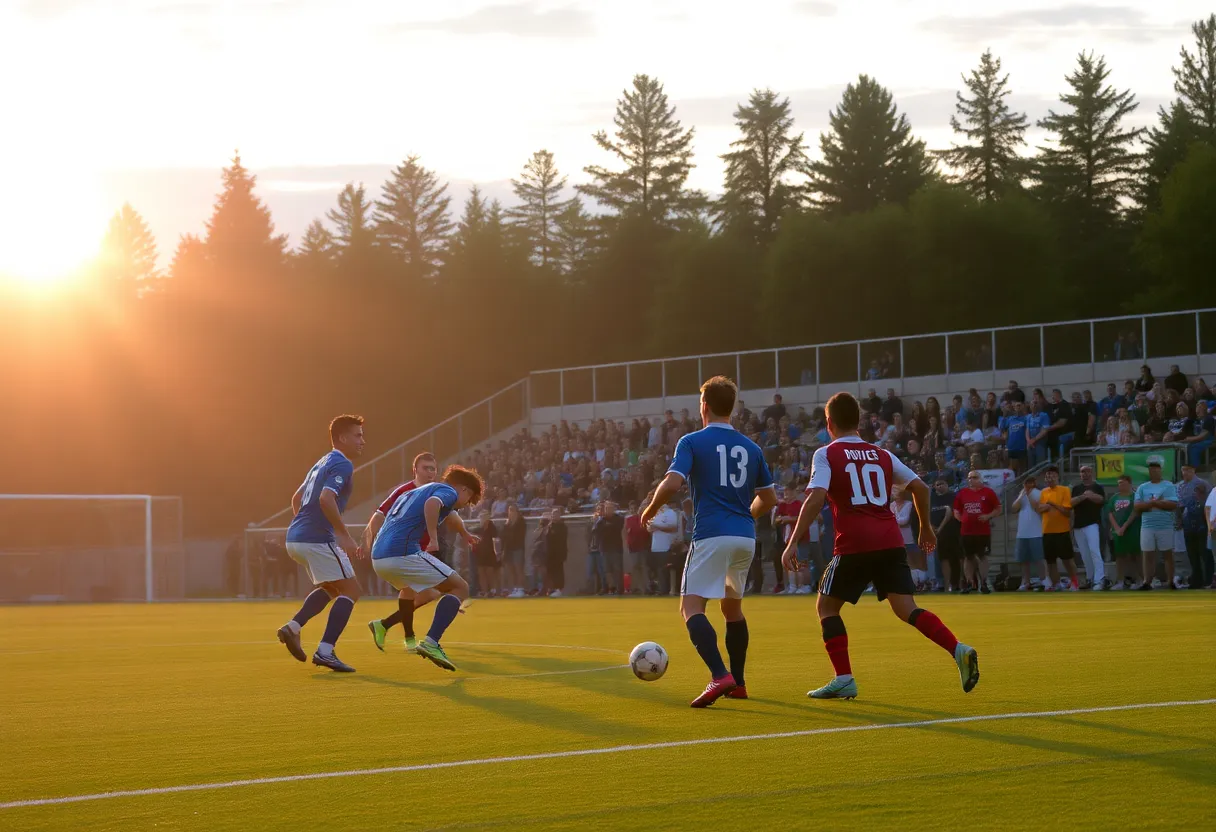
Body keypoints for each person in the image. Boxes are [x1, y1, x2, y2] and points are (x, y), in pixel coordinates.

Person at [781, 392, 979, 701]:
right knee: (906, 609)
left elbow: (817, 496)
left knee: (826, 607)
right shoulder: (882, 455)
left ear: (829, 422)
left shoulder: (826, 453)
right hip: (889, 541)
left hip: (855, 543)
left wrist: (792, 542)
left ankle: (844, 677)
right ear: (858, 422)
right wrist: (926, 528)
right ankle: (958, 649)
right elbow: (921, 488)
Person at [640, 376, 778, 708]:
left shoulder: (691, 441)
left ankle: (720, 675)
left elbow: (673, 483)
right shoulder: (752, 447)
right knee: (732, 609)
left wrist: (650, 508)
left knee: (691, 607)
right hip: (745, 537)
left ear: (704, 405)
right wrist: (746, 517)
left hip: (711, 535)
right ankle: (740, 682)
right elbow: (770, 499)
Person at [370, 466, 483, 671]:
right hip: (402, 553)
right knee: (460, 588)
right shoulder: (447, 491)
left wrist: (464, 533)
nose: (466, 504)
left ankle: (386, 625)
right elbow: (433, 504)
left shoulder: (417, 491)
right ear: (464, 489)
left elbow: (447, 513)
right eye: (469, 499)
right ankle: (431, 642)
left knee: (431, 592)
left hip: (379, 557)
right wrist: (432, 538)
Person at [277, 415, 366, 673]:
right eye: (357, 435)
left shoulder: (322, 461)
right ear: (342, 438)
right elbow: (327, 499)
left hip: (295, 538)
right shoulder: (342, 463)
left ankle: (292, 628)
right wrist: (344, 535)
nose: (363, 440)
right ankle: (326, 651)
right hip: (315, 539)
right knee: (351, 591)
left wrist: (304, 525)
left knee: (331, 588)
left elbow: (297, 498)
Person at [952, 471, 1001, 594]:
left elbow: (998, 508)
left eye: (974, 477)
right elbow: (956, 510)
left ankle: (983, 582)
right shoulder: (962, 493)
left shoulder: (988, 492)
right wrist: (961, 519)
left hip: (982, 531)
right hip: (966, 532)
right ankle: (969, 583)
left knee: (982, 556)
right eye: (969, 478)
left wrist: (988, 516)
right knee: (968, 557)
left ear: (980, 479)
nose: (971, 480)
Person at [1134, 460, 1179, 590]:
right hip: (1148, 525)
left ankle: (1170, 581)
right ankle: (1147, 581)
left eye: (1157, 470)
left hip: (1165, 525)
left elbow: (1173, 504)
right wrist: (1155, 503)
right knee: (1147, 554)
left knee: (1167, 554)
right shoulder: (1143, 487)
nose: (1154, 472)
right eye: (1152, 470)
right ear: (1149, 472)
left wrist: (1154, 504)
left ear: (1161, 471)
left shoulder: (1168, 486)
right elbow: (1137, 506)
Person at [1038, 465, 1079, 591]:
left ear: (1057, 477)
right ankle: (1056, 584)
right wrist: (1046, 507)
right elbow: (1039, 508)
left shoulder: (1065, 490)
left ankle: (1075, 583)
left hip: (1062, 530)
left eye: (1052, 475)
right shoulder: (1044, 492)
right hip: (1047, 531)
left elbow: (1067, 511)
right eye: (1047, 476)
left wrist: (1052, 504)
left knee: (1067, 560)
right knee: (1050, 561)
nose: (1050, 478)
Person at [1070, 465, 1107, 590]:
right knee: (1085, 554)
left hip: (1092, 523)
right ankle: (1090, 578)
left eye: (1087, 471)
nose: (1085, 474)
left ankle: (1099, 579)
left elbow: (1101, 500)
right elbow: (1070, 503)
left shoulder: (1097, 487)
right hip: (1078, 525)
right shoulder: (1076, 488)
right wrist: (1084, 496)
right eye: (1082, 472)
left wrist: (1089, 495)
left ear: (1092, 473)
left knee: (1094, 551)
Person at [1176, 465, 1210, 589]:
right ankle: (1196, 580)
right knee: (1192, 553)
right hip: (1187, 521)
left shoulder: (1203, 484)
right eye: (1184, 470)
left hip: (1202, 521)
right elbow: (1178, 505)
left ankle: (1209, 580)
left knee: (1205, 552)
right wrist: (1179, 519)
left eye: (1189, 470)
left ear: (1194, 471)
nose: (1186, 473)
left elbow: (1210, 502)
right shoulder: (1179, 486)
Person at [1011, 476, 1047, 590]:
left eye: (1031, 482)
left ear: (1035, 483)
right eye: (1026, 483)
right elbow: (1014, 508)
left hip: (1036, 532)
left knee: (1039, 559)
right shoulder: (1022, 493)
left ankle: (1044, 580)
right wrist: (1022, 495)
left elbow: (1036, 507)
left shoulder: (1039, 493)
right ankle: (1025, 582)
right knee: (1023, 560)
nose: (1028, 485)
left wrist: (1029, 494)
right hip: (1022, 533)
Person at [1106, 475, 1141, 590]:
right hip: (1118, 532)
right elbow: (1110, 513)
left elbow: (1135, 512)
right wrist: (1117, 528)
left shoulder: (1135, 496)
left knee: (1135, 556)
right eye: (1119, 483)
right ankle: (1120, 581)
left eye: (1123, 483)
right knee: (1120, 556)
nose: (1121, 485)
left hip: (1133, 530)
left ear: (1129, 483)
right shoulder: (1114, 498)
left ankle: (1139, 580)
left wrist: (1124, 527)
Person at [929, 478, 962, 591]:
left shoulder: (953, 497)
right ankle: (946, 585)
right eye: (937, 484)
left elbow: (950, 513)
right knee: (943, 559)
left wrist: (940, 528)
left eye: (942, 484)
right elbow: (925, 513)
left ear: (947, 485)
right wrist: (931, 527)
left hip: (952, 532)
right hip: (937, 534)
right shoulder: (931, 498)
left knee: (956, 558)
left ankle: (958, 584)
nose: (939, 486)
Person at [472, 509, 501, 597]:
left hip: (490, 552)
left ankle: (493, 590)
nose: (483, 518)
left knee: (490, 572)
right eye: (482, 516)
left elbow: (496, 538)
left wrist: (498, 552)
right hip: (480, 553)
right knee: (481, 572)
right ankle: (484, 591)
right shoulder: (478, 528)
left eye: (485, 516)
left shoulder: (492, 527)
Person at [501, 503, 528, 598]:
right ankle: (515, 589)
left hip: (517, 548)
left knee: (518, 568)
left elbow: (520, 536)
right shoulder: (507, 523)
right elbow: (503, 536)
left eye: (513, 510)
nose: (511, 512)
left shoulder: (521, 522)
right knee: (511, 569)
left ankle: (521, 589)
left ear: (517, 511)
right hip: (508, 549)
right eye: (509, 510)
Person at [541, 508, 568, 597]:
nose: (554, 516)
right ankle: (551, 588)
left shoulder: (562, 526)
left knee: (558, 571)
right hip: (549, 553)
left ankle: (559, 589)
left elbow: (561, 540)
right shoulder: (549, 526)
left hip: (558, 553)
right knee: (550, 572)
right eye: (553, 514)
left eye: (556, 514)